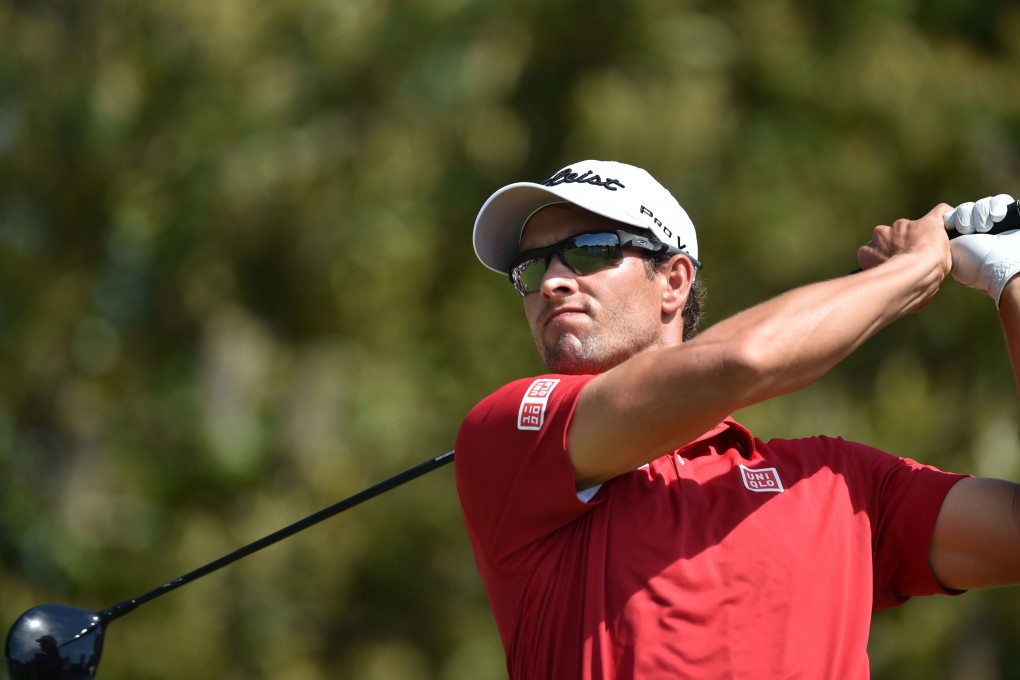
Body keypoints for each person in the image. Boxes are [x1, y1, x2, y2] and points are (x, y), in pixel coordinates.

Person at [453, 159, 1020, 679]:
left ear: (673, 282)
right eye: (533, 267)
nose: (551, 282)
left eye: (588, 250)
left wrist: (1012, 281)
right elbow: (742, 361)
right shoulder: (507, 434)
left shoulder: (837, 483)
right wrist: (913, 270)